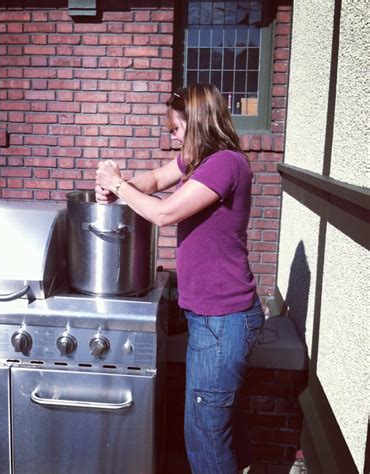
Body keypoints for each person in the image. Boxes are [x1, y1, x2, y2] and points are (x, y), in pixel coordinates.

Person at [95, 83, 265, 474]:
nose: (172, 137)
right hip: (212, 318)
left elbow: (164, 213)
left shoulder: (225, 163)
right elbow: (155, 180)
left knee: (205, 435)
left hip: (223, 321)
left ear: (198, 123)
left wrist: (119, 183)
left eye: (176, 129)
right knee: (218, 427)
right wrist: (116, 190)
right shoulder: (201, 162)